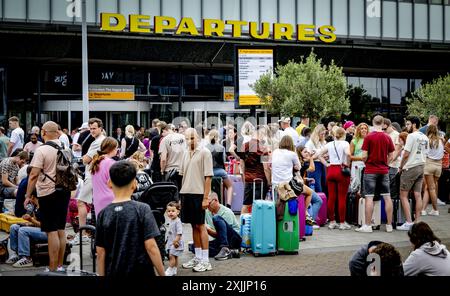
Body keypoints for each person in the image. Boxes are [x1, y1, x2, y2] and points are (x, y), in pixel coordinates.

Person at [95, 160, 165, 276]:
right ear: (134, 184)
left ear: (109, 183)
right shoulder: (142, 209)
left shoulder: (103, 214)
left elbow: (100, 252)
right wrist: (162, 274)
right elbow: (151, 246)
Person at [25, 121, 71, 272]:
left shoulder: (42, 150)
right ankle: (59, 266)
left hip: (48, 192)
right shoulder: (65, 148)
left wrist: (27, 195)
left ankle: (52, 269)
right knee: (61, 229)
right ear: (57, 132)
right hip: (64, 191)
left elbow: (33, 175)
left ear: (43, 133)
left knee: (51, 231)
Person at [179, 128, 214, 273]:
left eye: (192, 138)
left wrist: (206, 197)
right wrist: (181, 197)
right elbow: (183, 176)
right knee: (193, 226)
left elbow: (208, 177)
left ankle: (206, 260)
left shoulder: (205, 152)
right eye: (186, 138)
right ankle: (198, 257)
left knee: (201, 226)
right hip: (186, 193)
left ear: (198, 137)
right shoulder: (185, 153)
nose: (189, 141)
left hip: (199, 194)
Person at [356, 115, 394, 233]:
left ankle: (367, 225)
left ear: (373, 123)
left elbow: (364, 156)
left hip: (370, 170)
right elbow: (391, 155)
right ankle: (389, 225)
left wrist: (366, 162)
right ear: (383, 124)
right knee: (387, 197)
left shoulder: (368, 137)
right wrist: (385, 164)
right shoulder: (387, 137)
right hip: (384, 170)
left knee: (369, 198)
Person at [74, 118, 106, 245]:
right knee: (96, 205)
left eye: (94, 128)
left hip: (92, 175)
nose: (92, 131)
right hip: (99, 175)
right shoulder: (104, 140)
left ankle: (82, 234)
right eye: (90, 128)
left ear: (101, 128)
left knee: (81, 202)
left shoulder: (97, 142)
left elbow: (86, 159)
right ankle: (95, 232)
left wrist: (82, 158)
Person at [273, 136, 318, 224]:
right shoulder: (292, 154)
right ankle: (305, 213)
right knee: (309, 192)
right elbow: (299, 167)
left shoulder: (275, 152)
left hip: (276, 183)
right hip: (288, 184)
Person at [397, 116, 429, 231]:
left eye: (409, 124)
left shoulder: (411, 136)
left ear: (414, 124)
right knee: (417, 194)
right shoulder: (425, 137)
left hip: (410, 167)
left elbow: (405, 154)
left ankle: (409, 222)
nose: (407, 126)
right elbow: (426, 153)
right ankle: (418, 221)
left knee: (403, 195)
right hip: (421, 166)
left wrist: (400, 167)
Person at [317, 127, 352, 230]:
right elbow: (348, 154)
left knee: (331, 197)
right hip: (341, 169)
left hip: (331, 169)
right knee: (342, 197)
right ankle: (342, 222)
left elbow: (318, 155)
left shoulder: (329, 144)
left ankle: (332, 222)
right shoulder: (345, 143)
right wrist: (347, 164)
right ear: (343, 135)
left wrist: (326, 164)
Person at [6, 191, 47, 268]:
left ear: (32, 197)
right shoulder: (35, 207)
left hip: (47, 232)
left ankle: (26, 258)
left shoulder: (44, 207)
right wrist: (27, 223)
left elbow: (46, 225)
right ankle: (17, 253)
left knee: (23, 230)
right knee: (14, 227)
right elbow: (35, 222)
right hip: (39, 229)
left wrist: (31, 220)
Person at [237, 125, 271, 214]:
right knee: (259, 206)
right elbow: (266, 167)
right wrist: (269, 182)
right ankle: (256, 226)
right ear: (262, 133)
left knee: (246, 204)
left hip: (248, 179)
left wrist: (244, 178)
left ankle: (242, 226)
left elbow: (241, 165)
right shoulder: (263, 148)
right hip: (260, 180)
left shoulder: (244, 146)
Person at [205, 192, 241, 260]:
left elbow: (224, 235)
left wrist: (207, 229)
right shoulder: (207, 212)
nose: (207, 205)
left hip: (233, 239)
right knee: (195, 247)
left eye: (209, 203)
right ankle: (231, 252)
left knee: (216, 218)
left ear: (216, 200)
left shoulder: (227, 212)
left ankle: (225, 248)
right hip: (220, 240)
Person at [90, 137, 118, 218]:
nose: (117, 150)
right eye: (116, 148)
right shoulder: (111, 163)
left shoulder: (96, 162)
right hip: (110, 198)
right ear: (112, 149)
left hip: (97, 199)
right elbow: (115, 183)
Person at [206, 129, 233, 208]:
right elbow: (223, 161)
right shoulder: (221, 148)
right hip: (219, 171)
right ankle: (228, 205)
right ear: (218, 138)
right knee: (230, 186)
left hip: (208, 172)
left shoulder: (205, 148)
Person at [421, 125, 444, 216]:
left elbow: (424, 153)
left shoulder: (426, 140)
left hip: (429, 164)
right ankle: (423, 209)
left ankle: (435, 210)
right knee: (428, 187)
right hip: (438, 166)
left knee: (431, 188)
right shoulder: (441, 141)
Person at [159, 121, 186, 189]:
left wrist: (162, 170)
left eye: (163, 132)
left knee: (171, 194)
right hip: (183, 170)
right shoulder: (183, 137)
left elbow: (163, 159)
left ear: (167, 130)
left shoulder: (165, 140)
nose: (162, 134)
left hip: (170, 171)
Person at [305, 124, 328, 193]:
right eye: (322, 134)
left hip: (322, 165)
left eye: (324, 134)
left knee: (324, 185)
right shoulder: (310, 143)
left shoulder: (324, 142)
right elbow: (307, 158)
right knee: (317, 186)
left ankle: (323, 202)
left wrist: (325, 156)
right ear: (317, 134)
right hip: (314, 165)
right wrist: (317, 156)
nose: (323, 136)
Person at [383, 118, 402, 201]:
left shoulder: (396, 135)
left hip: (393, 165)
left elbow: (397, 151)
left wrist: (387, 162)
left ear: (390, 126)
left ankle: (393, 208)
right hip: (385, 165)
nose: (383, 130)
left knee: (392, 188)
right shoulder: (384, 134)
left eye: (385, 128)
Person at [164, 201, 184, 276]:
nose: (170, 213)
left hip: (176, 242)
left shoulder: (177, 221)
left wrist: (176, 241)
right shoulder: (172, 220)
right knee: (175, 256)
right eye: (169, 211)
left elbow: (179, 233)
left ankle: (170, 269)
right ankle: (174, 269)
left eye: (173, 211)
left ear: (178, 212)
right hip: (171, 242)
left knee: (171, 256)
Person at [349, 123, 369, 193]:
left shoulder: (370, 140)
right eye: (362, 128)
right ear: (358, 130)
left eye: (365, 128)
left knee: (365, 185)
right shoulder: (354, 141)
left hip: (367, 165)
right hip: (357, 164)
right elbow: (350, 156)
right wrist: (361, 158)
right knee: (356, 184)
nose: (364, 130)